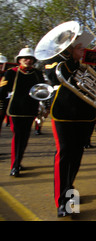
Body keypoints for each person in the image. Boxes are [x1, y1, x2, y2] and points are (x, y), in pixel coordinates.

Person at [41, 24, 96, 217]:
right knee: (64, 155)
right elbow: (53, 76)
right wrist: (75, 59)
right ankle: (62, 200)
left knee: (76, 155)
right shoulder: (57, 60)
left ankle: (69, 187)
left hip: (86, 113)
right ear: (69, 48)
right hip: (64, 114)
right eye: (79, 47)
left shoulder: (87, 59)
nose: (84, 50)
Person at [0, 47, 45, 176]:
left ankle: (18, 161)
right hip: (15, 110)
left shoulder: (37, 73)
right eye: (25, 58)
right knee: (18, 137)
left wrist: (45, 107)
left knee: (24, 138)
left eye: (30, 58)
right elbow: (2, 92)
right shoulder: (11, 72)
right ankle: (14, 165)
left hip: (31, 109)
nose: (28, 60)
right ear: (19, 60)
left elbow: (43, 90)